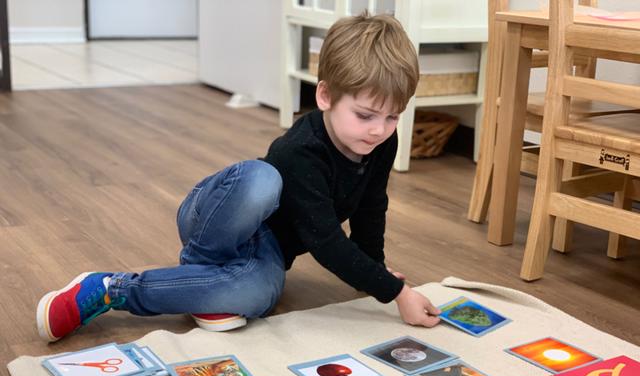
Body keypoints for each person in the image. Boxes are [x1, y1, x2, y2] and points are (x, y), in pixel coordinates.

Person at [37, 12, 441, 343]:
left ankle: (165, 285)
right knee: (263, 180)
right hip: (217, 216)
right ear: (325, 97)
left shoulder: (381, 143)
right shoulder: (301, 150)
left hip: (264, 253)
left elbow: (372, 206)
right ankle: (136, 284)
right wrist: (397, 294)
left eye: (392, 117)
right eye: (366, 115)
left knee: (259, 296)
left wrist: (375, 270)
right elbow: (327, 243)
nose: (379, 129)